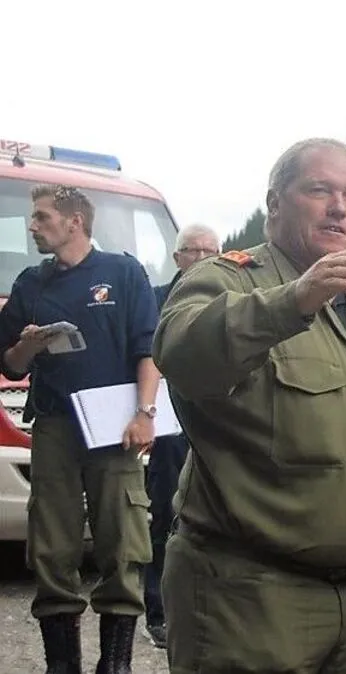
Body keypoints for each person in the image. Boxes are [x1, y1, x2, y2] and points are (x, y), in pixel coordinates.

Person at [152, 138, 346, 673]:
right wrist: (294, 300)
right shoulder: (226, 278)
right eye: (319, 190)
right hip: (248, 597)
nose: (339, 206)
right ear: (276, 203)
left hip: (343, 604)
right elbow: (181, 353)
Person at [0, 184, 158, 673]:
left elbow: (148, 349)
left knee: (122, 541)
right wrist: (29, 345)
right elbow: (9, 362)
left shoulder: (123, 272)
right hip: (54, 425)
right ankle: (61, 665)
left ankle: (116, 664)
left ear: (74, 222)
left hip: (116, 427)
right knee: (51, 543)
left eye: (42, 217)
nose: (33, 226)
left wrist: (145, 413)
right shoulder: (30, 282)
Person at [141, 223, 221, 649]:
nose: (205, 258)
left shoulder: (231, 299)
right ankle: (158, 612)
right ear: (177, 258)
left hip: (219, 429)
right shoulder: (153, 300)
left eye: (212, 249)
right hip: (170, 430)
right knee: (165, 516)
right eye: (195, 250)